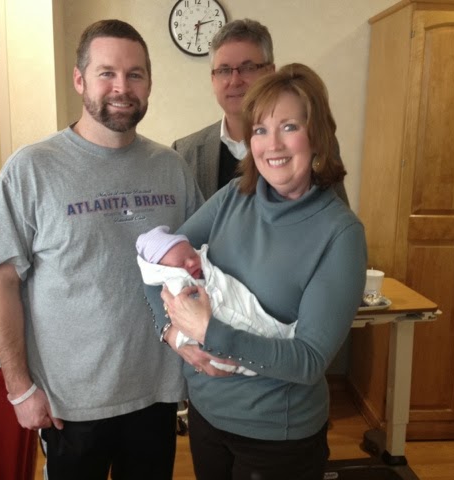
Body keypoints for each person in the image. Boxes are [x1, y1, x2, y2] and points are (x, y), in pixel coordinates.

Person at [0, 19, 203, 480]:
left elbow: (199, 267)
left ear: (149, 84)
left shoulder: (172, 168)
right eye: (107, 73)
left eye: (135, 74)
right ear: (79, 80)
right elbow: (0, 282)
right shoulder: (31, 169)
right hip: (71, 405)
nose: (122, 87)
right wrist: (20, 390)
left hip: (157, 393)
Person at [146, 63, 367, 480]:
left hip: (277, 436)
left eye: (289, 127)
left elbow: (309, 361)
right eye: (261, 130)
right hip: (206, 415)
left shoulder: (340, 234)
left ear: (317, 135)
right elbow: (155, 263)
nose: (272, 144)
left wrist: (209, 332)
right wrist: (173, 334)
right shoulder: (233, 197)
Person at [172, 18, 349, 204]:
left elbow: (335, 212)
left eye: (247, 68)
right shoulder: (184, 152)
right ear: (212, 79)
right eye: (224, 70)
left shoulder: (312, 140)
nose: (235, 81)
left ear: (271, 72)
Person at [136, 225, 297, 376]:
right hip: (222, 350)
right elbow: (182, 319)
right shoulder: (176, 287)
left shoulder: (204, 265)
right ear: (166, 272)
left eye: (192, 255)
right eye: (181, 264)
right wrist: (173, 334)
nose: (191, 262)